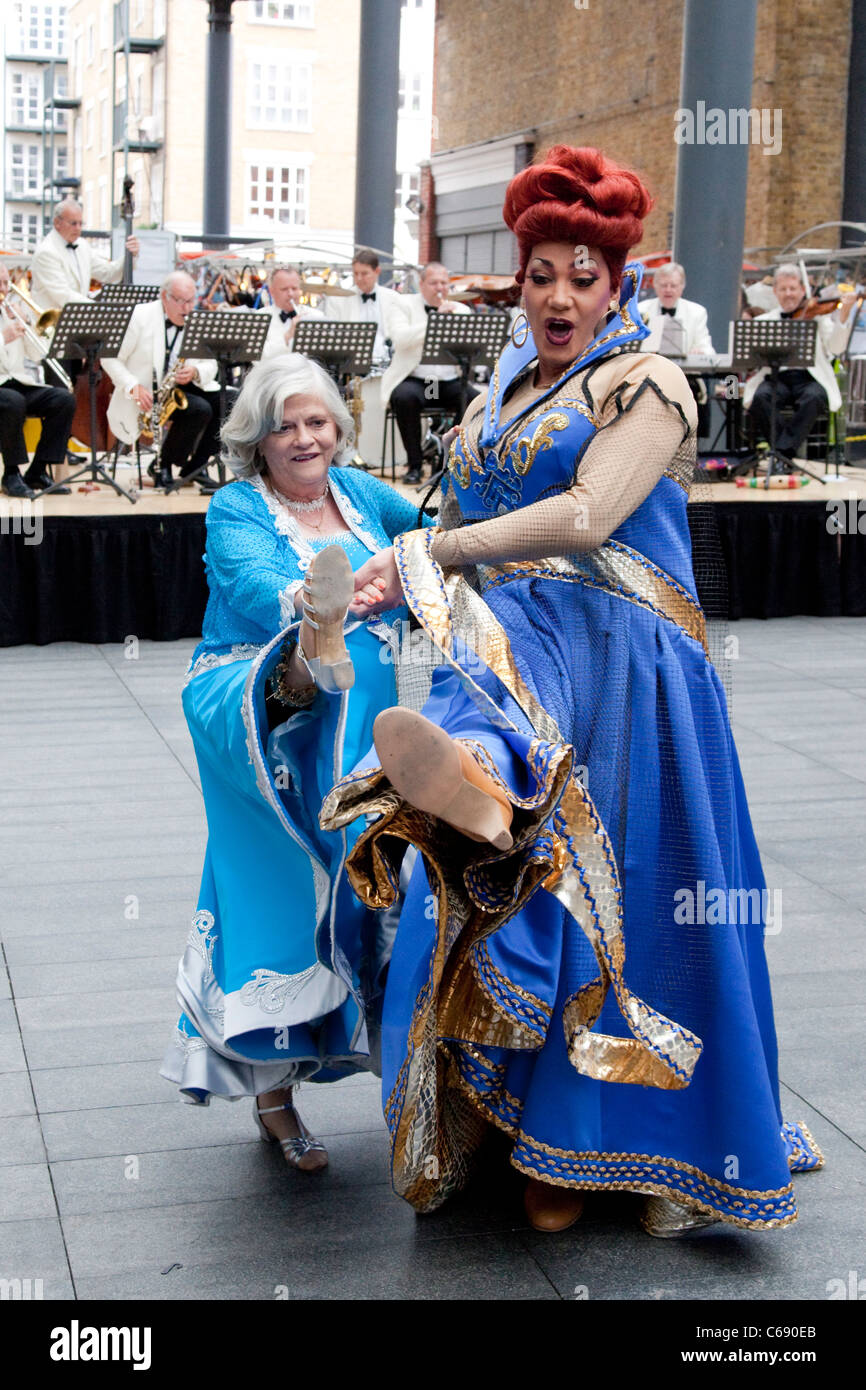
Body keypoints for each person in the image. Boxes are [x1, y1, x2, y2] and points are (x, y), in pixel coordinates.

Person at [321, 145, 824, 1235]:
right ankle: (528, 1127)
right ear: (520, 275)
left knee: (626, 899)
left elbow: (588, 517)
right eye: (540, 272)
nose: (557, 294)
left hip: (622, 664)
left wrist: (431, 556)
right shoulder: (509, 384)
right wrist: (393, 565)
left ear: (619, 280)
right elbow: (457, 511)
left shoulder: (647, 382)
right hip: (514, 644)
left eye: (579, 276)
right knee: (512, 873)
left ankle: (637, 1150)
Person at [160, 352, 433, 1169]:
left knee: (376, 878)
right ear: (257, 439)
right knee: (284, 881)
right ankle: (274, 1097)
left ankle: (411, 1074)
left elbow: (429, 539)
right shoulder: (235, 506)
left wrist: (408, 567)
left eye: (317, 422)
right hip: (259, 701)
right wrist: (327, 600)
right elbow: (249, 586)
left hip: (369, 722)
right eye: (285, 425)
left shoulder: (365, 497)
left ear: (339, 431)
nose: (304, 438)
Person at [101, 271, 221, 492]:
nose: (187, 308)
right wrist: (132, 386)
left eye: (191, 301)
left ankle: (195, 467)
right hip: (144, 396)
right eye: (180, 301)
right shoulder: (139, 316)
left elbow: (211, 364)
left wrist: (195, 371)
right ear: (164, 297)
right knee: (200, 409)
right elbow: (109, 357)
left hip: (180, 389)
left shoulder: (195, 319)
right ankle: (162, 466)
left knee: (229, 401)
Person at [744, 264, 854, 464]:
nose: (788, 294)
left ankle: (782, 455)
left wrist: (843, 316)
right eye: (783, 289)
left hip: (809, 377)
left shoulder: (818, 318)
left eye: (793, 289)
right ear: (775, 292)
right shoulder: (765, 320)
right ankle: (785, 455)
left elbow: (836, 349)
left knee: (815, 397)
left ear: (803, 291)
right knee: (760, 398)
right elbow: (751, 362)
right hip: (776, 376)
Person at [380, 261, 475, 483]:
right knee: (403, 397)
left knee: (476, 400)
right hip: (417, 379)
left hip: (448, 380)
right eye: (434, 283)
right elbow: (400, 339)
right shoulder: (403, 304)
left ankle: (450, 460)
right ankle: (414, 464)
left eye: (444, 283)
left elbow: (471, 348)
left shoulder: (461, 309)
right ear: (421, 284)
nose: (439, 288)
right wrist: (436, 322)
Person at [30, 198, 139, 387]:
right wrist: (101, 310)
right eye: (73, 223)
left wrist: (130, 255)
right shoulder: (46, 252)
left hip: (75, 331)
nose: (78, 228)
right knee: (61, 390)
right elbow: (64, 296)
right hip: (53, 334)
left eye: (81, 223)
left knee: (77, 386)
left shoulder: (82, 246)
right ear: (57, 222)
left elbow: (108, 273)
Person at [0, 263, 75, 497]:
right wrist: (4, 337)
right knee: (13, 402)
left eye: (5, 283)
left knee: (63, 399)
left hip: (15, 381)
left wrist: (28, 326)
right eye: (0, 283)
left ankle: (39, 470)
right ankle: (11, 473)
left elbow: (35, 355)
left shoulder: (8, 311)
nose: (4, 289)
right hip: (5, 389)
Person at [640, 262, 715, 436]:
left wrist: (699, 352)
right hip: (648, 377)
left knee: (687, 393)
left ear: (682, 287)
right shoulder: (640, 310)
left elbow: (707, 349)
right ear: (655, 286)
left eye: (673, 285)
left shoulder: (697, 312)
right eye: (664, 285)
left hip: (686, 377)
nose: (668, 290)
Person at [323, 247, 408, 366]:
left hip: (388, 363)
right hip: (352, 364)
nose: (359, 278)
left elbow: (400, 334)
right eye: (356, 273)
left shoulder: (394, 298)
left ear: (377, 271)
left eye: (364, 274)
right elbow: (331, 338)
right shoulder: (339, 301)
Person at [260, 265, 324, 358]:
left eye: (294, 288)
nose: (291, 294)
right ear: (271, 291)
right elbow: (258, 360)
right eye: (284, 289)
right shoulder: (261, 317)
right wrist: (288, 336)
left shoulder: (316, 316)